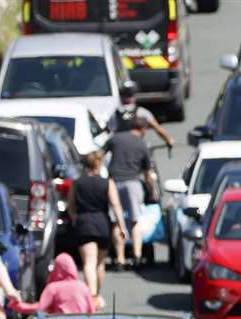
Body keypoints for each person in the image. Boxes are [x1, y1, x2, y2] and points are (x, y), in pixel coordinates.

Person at [67, 150, 125, 306]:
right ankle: (96, 294)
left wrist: (74, 219)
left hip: (84, 223)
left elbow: (71, 207)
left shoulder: (77, 183)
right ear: (99, 164)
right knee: (100, 263)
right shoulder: (107, 183)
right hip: (102, 224)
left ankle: (91, 296)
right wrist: (121, 226)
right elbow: (116, 205)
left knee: (89, 262)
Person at [105, 115, 154, 269]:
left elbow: (100, 154)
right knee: (134, 220)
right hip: (133, 183)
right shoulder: (142, 145)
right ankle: (137, 255)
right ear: (142, 129)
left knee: (115, 222)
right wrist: (151, 191)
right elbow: (148, 174)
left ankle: (120, 258)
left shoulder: (115, 139)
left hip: (114, 183)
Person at [9, 253, 97, 316]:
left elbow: (40, 308)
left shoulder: (53, 288)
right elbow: (92, 311)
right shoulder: (83, 287)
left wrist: (20, 306)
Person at [109, 80, 174, 150]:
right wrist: (169, 139)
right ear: (134, 96)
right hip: (138, 148)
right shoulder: (142, 112)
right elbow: (157, 128)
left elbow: (111, 132)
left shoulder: (115, 114)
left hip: (120, 149)